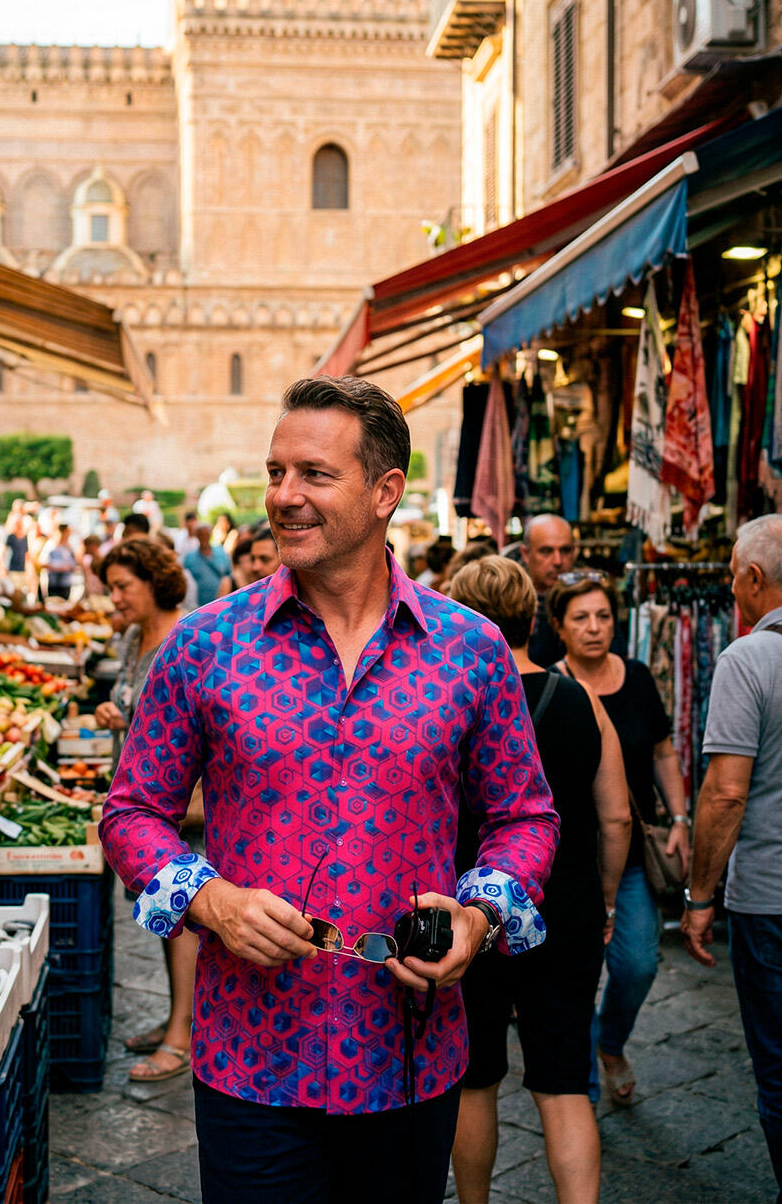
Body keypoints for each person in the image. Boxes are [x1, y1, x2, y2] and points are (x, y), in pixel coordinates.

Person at [100, 375, 559, 1204]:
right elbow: (133, 812)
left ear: (386, 492)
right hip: (251, 1060)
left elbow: (524, 817)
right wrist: (212, 901)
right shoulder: (206, 644)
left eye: (313, 474)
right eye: (276, 473)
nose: (283, 496)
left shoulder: (471, 650)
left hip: (409, 1058)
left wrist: (480, 914)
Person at [449, 557, 631, 1204]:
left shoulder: (450, 703)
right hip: (566, 907)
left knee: (475, 1079)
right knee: (562, 1082)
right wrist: (606, 896)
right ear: (534, 618)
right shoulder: (580, 699)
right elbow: (617, 815)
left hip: (468, 913)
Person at [681, 515, 782, 1204]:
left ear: (753, 578)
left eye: (730, 571)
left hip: (774, 899)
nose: (728, 583)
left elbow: (724, 795)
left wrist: (698, 898)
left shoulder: (747, 659)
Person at [548, 570, 690, 1107]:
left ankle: (611, 1043)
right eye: (580, 618)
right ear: (559, 627)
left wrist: (679, 818)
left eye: (603, 616)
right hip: (569, 862)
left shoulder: (634, 677)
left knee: (638, 964)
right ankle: (578, 1093)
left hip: (628, 856)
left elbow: (662, 751)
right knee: (575, 977)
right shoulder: (551, 686)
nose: (593, 628)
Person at [92, 538, 199, 1085]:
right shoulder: (135, 637)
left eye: (122, 587)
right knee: (166, 918)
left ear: (154, 583)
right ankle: (176, 1020)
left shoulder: (186, 638)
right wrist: (117, 717)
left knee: (183, 919)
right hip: (146, 806)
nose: (114, 598)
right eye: (111, 586)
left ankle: (182, 1037)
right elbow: (141, 713)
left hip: (187, 807)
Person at [522, 514, 576, 666]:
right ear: (526, 554)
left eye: (565, 550)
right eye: (546, 551)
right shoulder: (512, 604)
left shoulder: (588, 602)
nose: (558, 561)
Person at [183, 523, 231, 607]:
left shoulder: (221, 552)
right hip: (199, 605)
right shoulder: (189, 558)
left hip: (222, 602)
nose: (204, 537)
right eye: (201, 535)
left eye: (206, 534)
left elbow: (228, 575)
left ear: (210, 534)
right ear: (197, 536)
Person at [39, 522, 77, 601]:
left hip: (65, 583)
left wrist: (69, 567)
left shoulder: (69, 546)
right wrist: (57, 567)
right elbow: (42, 562)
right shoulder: (51, 545)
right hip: (53, 583)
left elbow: (74, 563)